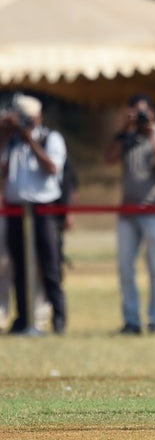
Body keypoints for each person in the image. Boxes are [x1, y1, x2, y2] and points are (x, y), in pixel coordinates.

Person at [105, 94, 155, 335]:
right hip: (128, 212)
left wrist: (151, 137)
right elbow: (109, 159)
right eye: (134, 113)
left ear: (152, 113)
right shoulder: (126, 138)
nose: (138, 117)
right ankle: (131, 321)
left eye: (142, 113)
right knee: (125, 268)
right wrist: (124, 129)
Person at [0, 94, 67, 334]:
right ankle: (23, 319)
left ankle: (58, 320)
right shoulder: (10, 141)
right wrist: (6, 135)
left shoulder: (50, 138)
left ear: (37, 117)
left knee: (49, 266)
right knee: (19, 268)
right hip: (16, 209)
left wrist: (31, 141)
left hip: (44, 209)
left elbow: (53, 168)